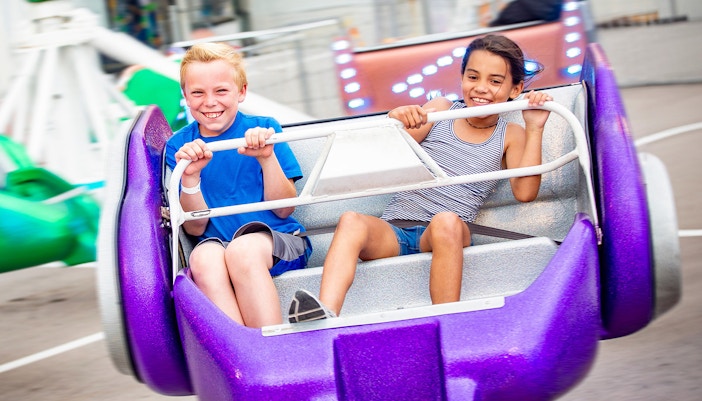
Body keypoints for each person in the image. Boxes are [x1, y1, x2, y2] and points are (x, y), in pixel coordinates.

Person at [288, 34, 552, 323]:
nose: (480, 88)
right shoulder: (440, 109)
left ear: (515, 89)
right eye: (472, 77)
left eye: (495, 81)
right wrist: (398, 118)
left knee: (446, 221)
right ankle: (324, 313)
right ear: (462, 77)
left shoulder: (510, 134)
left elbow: (525, 192)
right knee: (351, 220)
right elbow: (392, 147)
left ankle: (446, 321)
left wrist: (535, 126)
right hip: (397, 228)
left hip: (447, 231)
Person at [165, 42, 311, 328]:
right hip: (218, 242)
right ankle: (244, 352)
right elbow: (195, 228)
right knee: (203, 259)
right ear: (185, 96)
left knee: (242, 251)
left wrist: (267, 158)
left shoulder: (265, 128)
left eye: (221, 90)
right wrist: (190, 177)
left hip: (280, 240)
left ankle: (269, 345)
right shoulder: (179, 146)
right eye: (197, 92)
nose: (209, 102)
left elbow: (284, 210)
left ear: (241, 92)